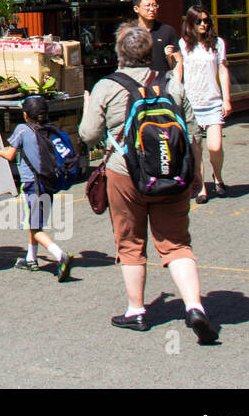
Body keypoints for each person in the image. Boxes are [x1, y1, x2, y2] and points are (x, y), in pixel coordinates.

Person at [79, 22, 218, 344]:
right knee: (177, 243)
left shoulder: (107, 86)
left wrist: (90, 107)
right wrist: (196, 175)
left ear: (119, 53)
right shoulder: (172, 85)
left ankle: (136, 311)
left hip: (125, 174)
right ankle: (195, 307)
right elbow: (193, 133)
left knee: (130, 243)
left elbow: (88, 135)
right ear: (151, 51)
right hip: (174, 175)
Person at [0, 95, 73, 279]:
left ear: (26, 115)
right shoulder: (50, 130)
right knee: (34, 224)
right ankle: (31, 258)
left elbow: (9, 155)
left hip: (31, 186)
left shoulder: (22, 129)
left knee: (35, 227)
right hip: (48, 184)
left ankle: (60, 255)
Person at [179, 6, 232, 204]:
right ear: (190, 23)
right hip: (191, 103)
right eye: (199, 21)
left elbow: (223, 70)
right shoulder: (183, 44)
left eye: (206, 21)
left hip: (213, 102)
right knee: (195, 150)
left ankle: (217, 177)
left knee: (215, 146)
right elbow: (178, 72)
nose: (203, 24)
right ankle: (201, 187)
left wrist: (226, 99)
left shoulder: (217, 44)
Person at [132, 0, 181, 79]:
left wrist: (176, 84)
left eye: (154, 5)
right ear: (136, 9)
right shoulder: (130, 33)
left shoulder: (167, 31)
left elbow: (177, 63)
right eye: (147, 6)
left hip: (161, 84)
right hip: (137, 84)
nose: (152, 9)